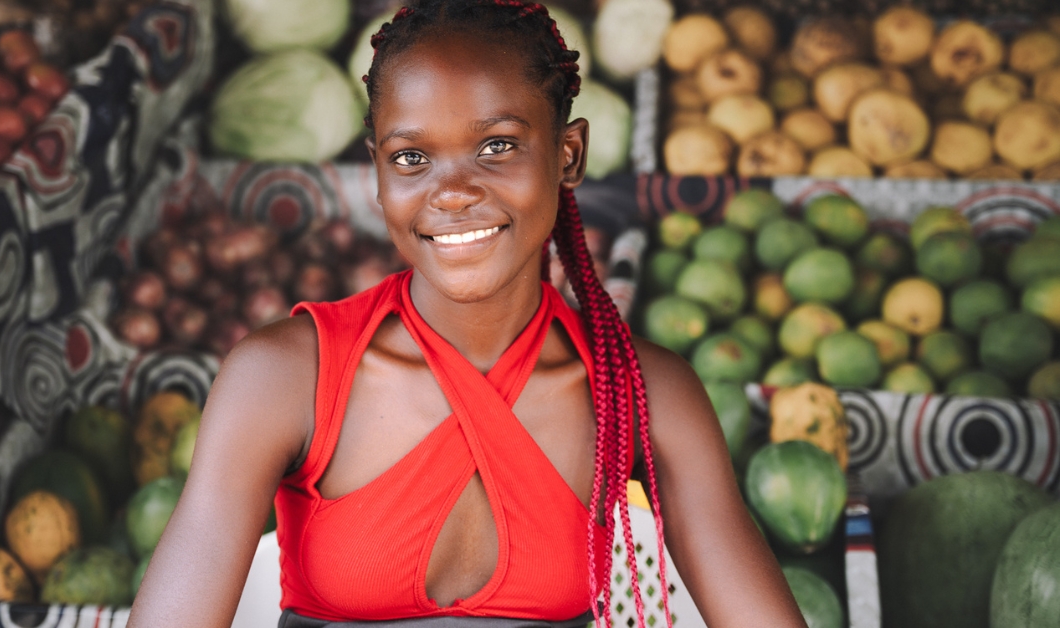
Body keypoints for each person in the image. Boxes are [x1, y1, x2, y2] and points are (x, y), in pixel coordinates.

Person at [129, 2, 806, 627]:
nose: (451, 193)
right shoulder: (282, 379)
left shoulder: (643, 394)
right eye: (411, 157)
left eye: (497, 146)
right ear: (378, 171)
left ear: (568, 154)